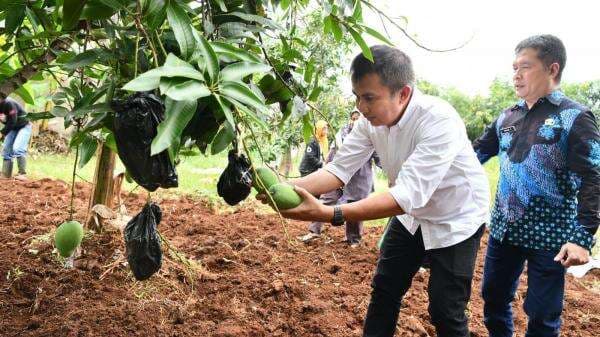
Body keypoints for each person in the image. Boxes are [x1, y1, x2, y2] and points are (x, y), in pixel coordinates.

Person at [260, 45, 490, 337]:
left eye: (369, 97)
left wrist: (331, 213)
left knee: (445, 309)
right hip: (411, 216)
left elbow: (405, 195)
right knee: (384, 290)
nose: (361, 107)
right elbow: (338, 170)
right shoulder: (371, 122)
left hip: (455, 217)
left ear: (403, 93)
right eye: (357, 97)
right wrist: (284, 188)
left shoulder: (438, 120)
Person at [473, 34, 599, 337]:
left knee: (543, 315)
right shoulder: (508, 115)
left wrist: (582, 238)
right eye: (514, 67)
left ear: (552, 69)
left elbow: (593, 177)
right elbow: (474, 154)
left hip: (552, 237)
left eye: (525, 67)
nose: (516, 74)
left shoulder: (575, 117)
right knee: (493, 300)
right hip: (505, 230)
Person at [298, 110, 379, 247]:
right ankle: (314, 231)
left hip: (358, 180)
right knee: (326, 199)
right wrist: (325, 166)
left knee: (355, 208)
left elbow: (378, 156)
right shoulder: (341, 134)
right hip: (336, 176)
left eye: (358, 119)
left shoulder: (371, 135)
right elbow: (333, 151)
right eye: (353, 118)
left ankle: (353, 239)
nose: (355, 121)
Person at [0, 96, 31, 180]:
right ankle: (6, 174)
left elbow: (13, 120)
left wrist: (2, 133)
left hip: (24, 126)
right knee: (6, 149)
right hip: (13, 127)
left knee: (18, 148)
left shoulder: (9, 103)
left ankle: (22, 174)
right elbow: (8, 121)